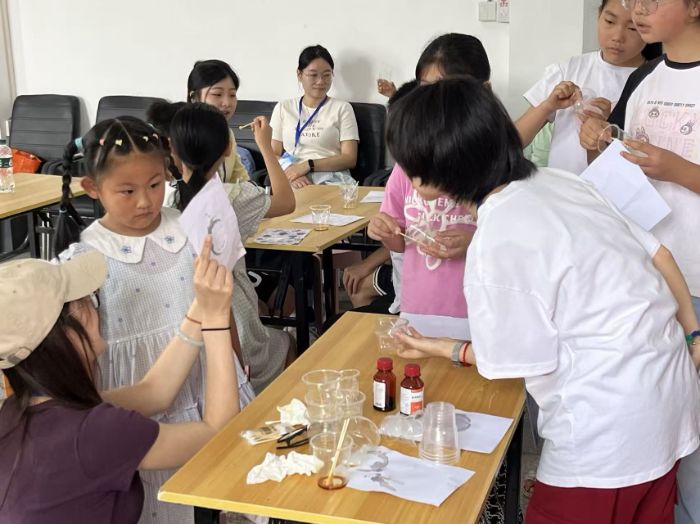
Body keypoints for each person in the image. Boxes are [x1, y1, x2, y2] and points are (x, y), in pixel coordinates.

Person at [389, 76, 700, 524]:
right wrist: (693, 333)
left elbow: (512, 360)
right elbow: (660, 254)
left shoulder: (498, 236)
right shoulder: (561, 182)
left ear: (429, 173)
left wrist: (441, 348)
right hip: (669, 394)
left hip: (606, 429)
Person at [53, 116, 254, 523]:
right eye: (127, 191)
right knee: (160, 495)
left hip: (208, 370)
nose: (145, 202)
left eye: (155, 184)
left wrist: (235, 354)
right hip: (137, 387)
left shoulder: (190, 227)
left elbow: (219, 298)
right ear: (92, 188)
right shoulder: (87, 255)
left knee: (223, 479)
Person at [0, 240, 241, 523]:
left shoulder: (17, 411)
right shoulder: (93, 433)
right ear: (67, 335)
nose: (95, 308)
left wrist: (201, 307)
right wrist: (217, 317)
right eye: (87, 300)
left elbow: (154, 392)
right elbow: (218, 435)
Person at [579, 1, 700, 521]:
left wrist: (677, 169)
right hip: (645, 277)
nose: (638, 9)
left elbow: (667, 169)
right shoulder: (644, 79)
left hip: (696, 276)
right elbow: (616, 172)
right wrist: (595, 142)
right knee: (657, 421)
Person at [168, 102, 296, 393]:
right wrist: (266, 147)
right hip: (232, 317)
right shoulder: (231, 197)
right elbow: (286, 201)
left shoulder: (164, 198)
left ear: (172, 150)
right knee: (286, 341)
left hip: (180, 320)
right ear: (228, 149)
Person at [368, 34, 486, 340]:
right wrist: (386, 232)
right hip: (418, 308)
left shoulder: (491, 166)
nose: (434, 103)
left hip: (478, 313)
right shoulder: (405, 167)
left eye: (446, 90)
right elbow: (398, 243)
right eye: (426, 89)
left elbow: (514, 243)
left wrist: (474, 242)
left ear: (481, 93)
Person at [515, 0, 661, 175]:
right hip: (563, 187)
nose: (617, 37)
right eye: (610, 21)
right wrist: (547, 107)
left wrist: (610, 127)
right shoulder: (568, 70)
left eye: (632, 28)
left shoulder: (655, 80)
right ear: (599, 16)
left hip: (618, 190)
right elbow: (513, 141)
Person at [270, 44, 359, 189]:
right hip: (292, 177)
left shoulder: (342, 108)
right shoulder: (283, 108)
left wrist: (308, 165)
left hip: (332, 178)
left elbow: (349, 158)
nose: (321, 81)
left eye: (326, 75)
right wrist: (291, 172)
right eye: (313, 75)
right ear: (299, 75)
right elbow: (272, 153)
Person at [187, 59, 251, 183]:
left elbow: (241, 178)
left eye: (232, 95)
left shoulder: (227, 134)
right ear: (194, 98)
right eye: (217, 94)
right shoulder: (185, 137)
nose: (227, 103)